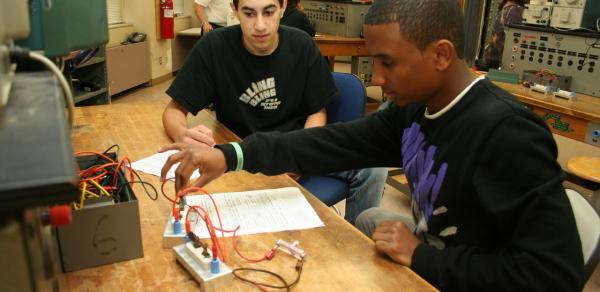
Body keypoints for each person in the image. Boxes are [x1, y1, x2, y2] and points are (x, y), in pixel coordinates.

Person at [160, 0, 584, 290]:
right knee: (369, 224)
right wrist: (232, 154)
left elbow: (551, 276)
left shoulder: (507, 135)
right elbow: (334, 142)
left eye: (388, 62)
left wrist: (423, 258)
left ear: (440, 54)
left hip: (454, 272)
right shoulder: (418, 108)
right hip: (432, 246)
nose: (376, 78)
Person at [163, 0, 386, 225]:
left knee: (372, 169)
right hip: (238, 157)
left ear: (282, 8)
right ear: (234, 10)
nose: (260, 25)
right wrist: (183, 135)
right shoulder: (213, 46)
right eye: (249, 13)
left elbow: (317, 112)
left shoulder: (302, 45)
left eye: (269, 12)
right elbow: (174, 110)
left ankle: (358, 242)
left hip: (294, 151)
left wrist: (301, 156)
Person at [476, 0, 526, 71]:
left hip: (497, 61)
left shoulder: (513, 10)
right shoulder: (516, 9)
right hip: (497, 60)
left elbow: (506, 38)